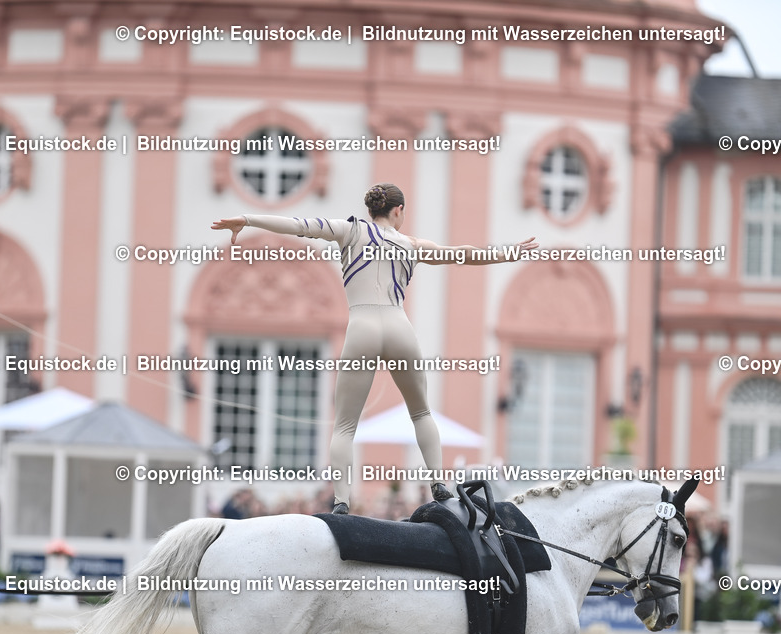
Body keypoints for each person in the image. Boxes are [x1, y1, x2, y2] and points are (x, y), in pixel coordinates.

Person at [212, 183, 538, 514]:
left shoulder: (351, 232)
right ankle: (438, 484)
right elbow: (463, 254)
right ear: (398, 211)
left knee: (345, 425)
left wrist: (247, 219)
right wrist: (509, 253)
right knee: (422, 412)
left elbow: (299, 225)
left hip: (362, 328)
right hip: (400, 328)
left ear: (372, 210)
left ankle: (341, 501)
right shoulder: (410, 244)